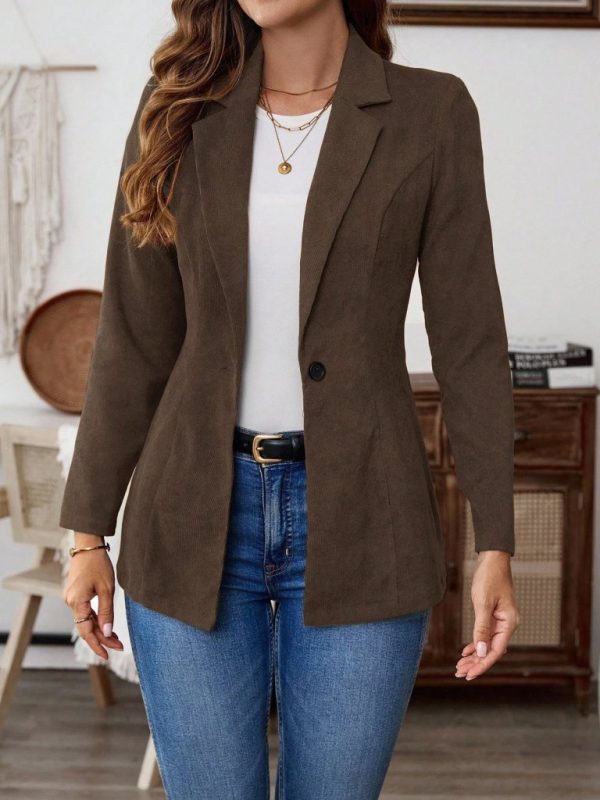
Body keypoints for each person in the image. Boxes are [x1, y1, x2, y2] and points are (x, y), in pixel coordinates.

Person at [61, 1, 520, 797]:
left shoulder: (431, 112)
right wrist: (86, 533)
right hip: (191, 512)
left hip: (366, 517)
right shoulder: (177, 107)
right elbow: (133, 337)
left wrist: (496, 543)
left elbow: (471, 346)